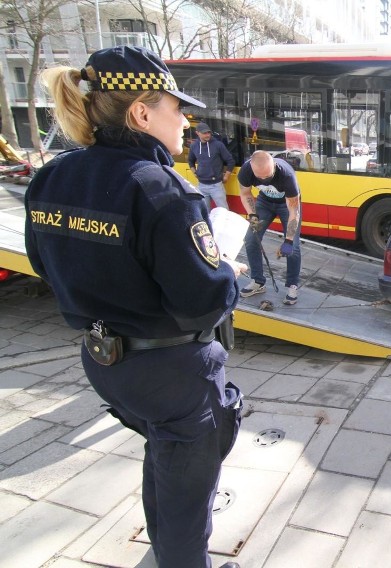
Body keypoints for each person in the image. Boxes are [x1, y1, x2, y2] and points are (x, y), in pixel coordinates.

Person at [24, 46, 242, 568]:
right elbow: (203, 301)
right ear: (142, 113)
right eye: (176, 107)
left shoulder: (52, 176)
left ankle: (164, 550)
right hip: (173, 372)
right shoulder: (160, 187)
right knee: (189, 500)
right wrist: (227, 272)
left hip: (105, 362)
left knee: (165, 457)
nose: (186, 120)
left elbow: (43, 264)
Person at [238, 150, 302, 305]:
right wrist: (253, 216)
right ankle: (258, 281)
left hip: (286, 205)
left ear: (273, 165)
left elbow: (294, 209)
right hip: (264, 202)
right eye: (260, 177)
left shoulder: (286, 175)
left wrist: (287, 241)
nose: (264, 180)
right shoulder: (246, 171)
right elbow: (245, 193)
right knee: (251, 239)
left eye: (268, 176)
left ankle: (292, 285)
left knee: (293, 246)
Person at [188, 122, 235, 211]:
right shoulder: (194, 146)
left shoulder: (218, 145)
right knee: (205, 212)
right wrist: (195, 172)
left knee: (224, 212)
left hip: (216, 185)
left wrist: (226, 176)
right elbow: (190, 160)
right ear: (197, 133)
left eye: (209, 132)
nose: (208, 135)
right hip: (201, 185)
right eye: (204, 133)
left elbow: (230, 161)